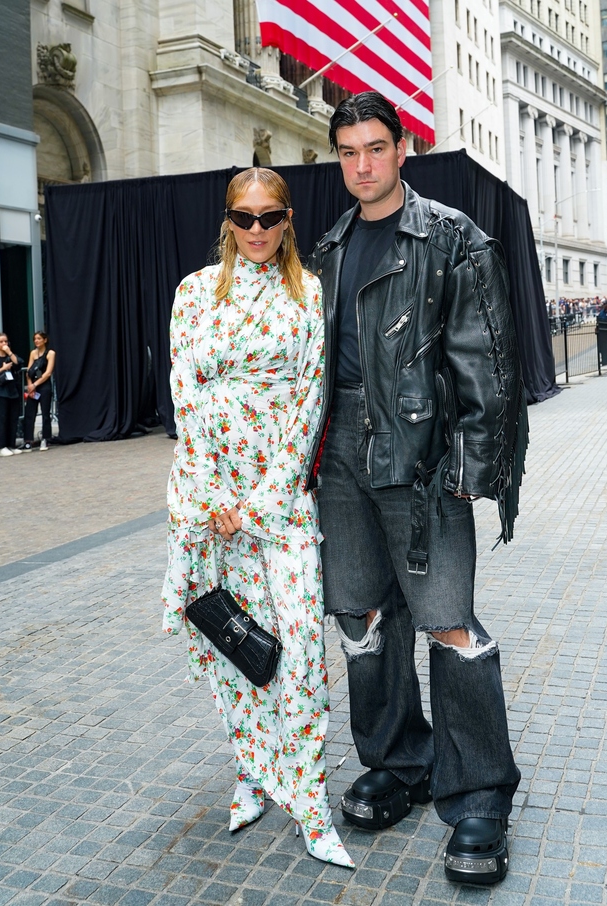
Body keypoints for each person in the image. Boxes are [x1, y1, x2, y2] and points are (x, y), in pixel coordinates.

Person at [308, 92, 527, 886]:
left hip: (423, 457)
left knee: (446, 622)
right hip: (341, 460)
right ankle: (400, 760)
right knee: (359, 615)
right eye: (347, 151)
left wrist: (475, 468)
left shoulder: (451, 238)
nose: (361, 164)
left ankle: (477, 791)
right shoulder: (327, 248)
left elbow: (486, 364)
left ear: (405, 149)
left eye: (375, 147)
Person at [161, 168, 353, 868]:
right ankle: (251, 771)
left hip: (277, 501)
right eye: (244, 218)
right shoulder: (193, 293)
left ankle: (309, 797)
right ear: (228, 221)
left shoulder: (308, 294)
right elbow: (185, 391)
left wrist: (264, 499)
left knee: (299, 645)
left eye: (270, 218)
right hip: (212, 500)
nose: (257, 231)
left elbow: (310, 401)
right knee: (240, 642)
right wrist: (212, 497)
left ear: (289, 220)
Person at [0, 333, 24, 456]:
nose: (4, 344)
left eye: (6, 341)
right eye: (1, 342)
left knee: (13, 419)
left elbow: (19, 363)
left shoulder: (9, 356)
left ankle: (11, 444)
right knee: (2, 418)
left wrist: (10, 353)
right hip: (1, 391)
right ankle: (1, 446)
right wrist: (2, 369)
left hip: (12, 390)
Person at [22, 331, 55, 450]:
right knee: (30, 413)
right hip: (33, 386)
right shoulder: (33, 353)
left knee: (45, 413)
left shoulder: (50, 353)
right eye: (35, 339)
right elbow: (29, 371)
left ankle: (45, 439)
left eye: (39, 339)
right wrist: (30, 386)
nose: (36, 341)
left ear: (45, 340)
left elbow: (48, 373)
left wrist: (35, 384)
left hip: (44, 385)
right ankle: (28, 440)